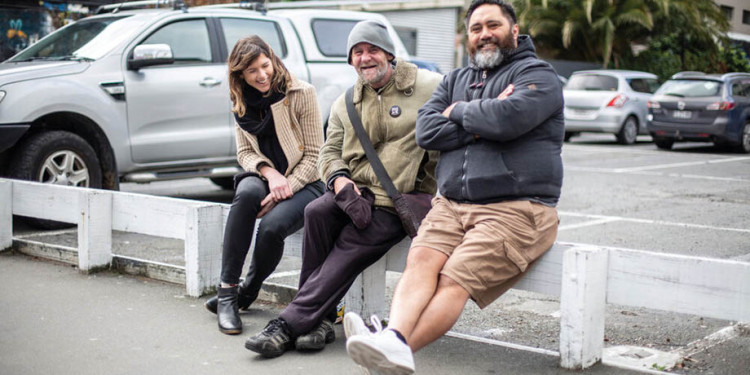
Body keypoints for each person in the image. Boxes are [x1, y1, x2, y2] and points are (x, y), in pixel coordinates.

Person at [344, 1, 564, 373]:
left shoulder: (538, 76)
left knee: (453, 278)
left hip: (516, 209)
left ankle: (396, 345)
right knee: (420, 262)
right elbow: (427, 131)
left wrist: (458, 112)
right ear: (468, 37)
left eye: (493, 25)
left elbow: (509, 120)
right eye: (476, 28)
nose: (484, 34)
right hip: (451, 204)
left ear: (514, 30)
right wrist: (485, 115)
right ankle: (392, 340)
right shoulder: (454, 80)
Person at [243, 20, 442, 358]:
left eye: (372, 50)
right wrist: (337, 179)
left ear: (389, 54)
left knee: (350, 243)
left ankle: (288, 324)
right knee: (316, 212)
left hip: (398, 200)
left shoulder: (429, 85)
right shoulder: (345, 102)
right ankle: (318, 321)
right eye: (357, 53)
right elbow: (329, 151)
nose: (365, 58)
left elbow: (465, 108)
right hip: (354, 195)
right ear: (351, 61)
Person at [204, 35, 324, 335]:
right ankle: (228, 293)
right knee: (245, 195)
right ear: (240, 75)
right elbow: (244, 152)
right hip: (266, 175)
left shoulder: (301, 93)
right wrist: (269, 174)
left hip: (306, 181)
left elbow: (315, 156)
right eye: (251, 71)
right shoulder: (241, 98)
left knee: (272, 225)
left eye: (264, 65)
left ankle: (249, 289)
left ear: (273, 60)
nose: (261, 75)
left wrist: (285, 186)